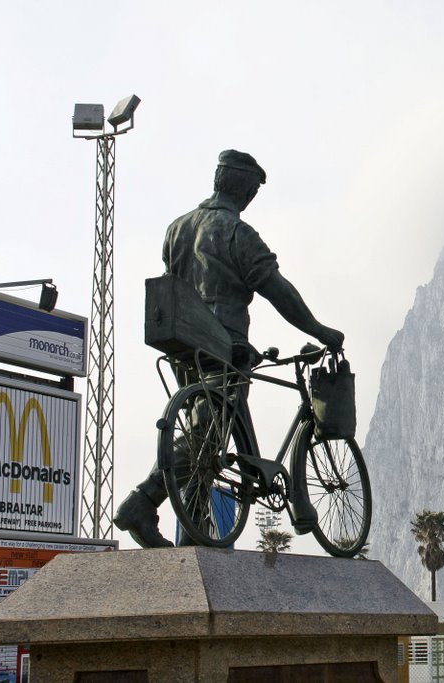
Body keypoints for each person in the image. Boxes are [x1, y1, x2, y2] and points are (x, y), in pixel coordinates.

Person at [114, 150, 344, 548]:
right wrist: (320, 330)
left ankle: (192, 534)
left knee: (209, 440)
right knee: (207, 433)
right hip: (225, 346)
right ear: (245, 188)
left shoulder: (177, 228)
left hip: (185, 345)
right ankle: (143, 499)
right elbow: (278, 291)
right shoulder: (237, 233)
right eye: (254, 189)